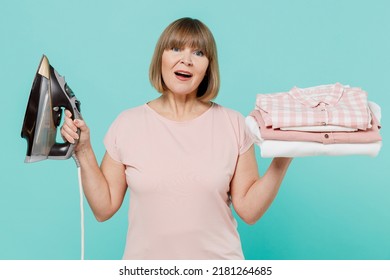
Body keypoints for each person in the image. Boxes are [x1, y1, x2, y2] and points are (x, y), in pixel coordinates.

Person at [61, 17, 292, 260]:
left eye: (199, 52)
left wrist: (285, 155)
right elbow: (103, 207)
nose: (187, 60)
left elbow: (249, 211)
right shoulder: (127, 124)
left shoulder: (234, 124)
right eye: (176, 48)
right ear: (161, 57)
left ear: (208, 66)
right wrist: (84, 149)